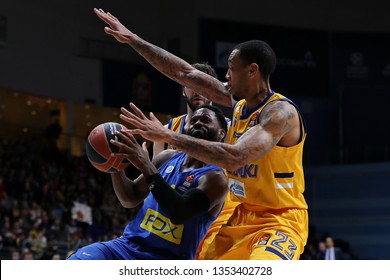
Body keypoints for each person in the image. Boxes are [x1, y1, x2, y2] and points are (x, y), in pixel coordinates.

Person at [94, 8, 308, 260]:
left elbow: (236, 157)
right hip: (239, 214)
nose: (226, 75)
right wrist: (134, 40)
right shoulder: (238, 103)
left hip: (278, 219)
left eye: (231, 68)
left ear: (252, 71)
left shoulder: (280, 113)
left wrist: (169, 137)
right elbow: (185, 73)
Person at [67, 105, 228, 260]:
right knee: (81, 259)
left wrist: (145, 164)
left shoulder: (216, 178)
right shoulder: (167, 157)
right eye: (193, 120)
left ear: (221, 134)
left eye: (205, 120)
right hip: (127, 247)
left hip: (168, 260)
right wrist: (115, 165)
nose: (198, 122)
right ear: (184, 129)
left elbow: (179, 212)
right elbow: (130, 198)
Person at [150, 61, 235, 259]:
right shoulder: (166, 129)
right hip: (176, 218)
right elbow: (156, 183)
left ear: (214, 90)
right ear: (183, 89)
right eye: (192, 84)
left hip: (219, 220)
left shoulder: (231, 130)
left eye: (204, 85)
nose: (198, 91)